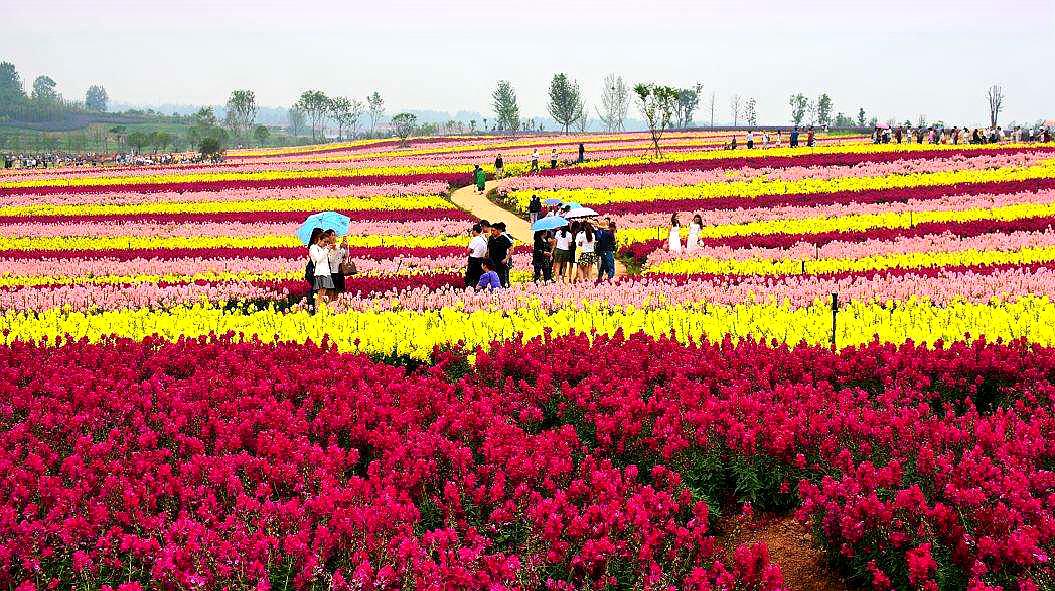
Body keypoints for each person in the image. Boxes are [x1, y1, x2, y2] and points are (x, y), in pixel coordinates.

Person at [308, 227, 335, 308]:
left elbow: (330, 260)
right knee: (320, 294)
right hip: (320, 273)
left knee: (325, 293)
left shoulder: (323, 249)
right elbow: (318, 259)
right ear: (319, 239)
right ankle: (317, 310)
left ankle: (321, 309)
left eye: (327, 242)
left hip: (326, 273)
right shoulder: (313, 248)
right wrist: (326, 250)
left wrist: (332, 250)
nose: (326, 243)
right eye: (325, 241)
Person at [487, 222, 513, 287]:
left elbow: (511, 249)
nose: (492, 232)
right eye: (491, 231)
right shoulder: (491, 238)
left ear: (499, 230)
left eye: (494, 230)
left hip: (500, 262)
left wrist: (506, 259)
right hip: (491, 261)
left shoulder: (504, 239)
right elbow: (488, 248)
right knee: (492, 276)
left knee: (500, 277)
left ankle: (501, 289)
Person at [465, 223, 489, 287]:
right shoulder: (484, 239)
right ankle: (478, 287)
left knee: (470, 275)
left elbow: (468, 251)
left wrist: (472, 251)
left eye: (472, 230)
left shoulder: (475, 239)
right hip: (481, 259)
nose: (472, 232)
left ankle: (469, 287)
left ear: (475, 231)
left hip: (473, 260)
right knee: (478, 275)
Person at [324, 230, 346, 294]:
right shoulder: (326, 248)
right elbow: (330, 260)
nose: (334, 237)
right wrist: (335, 250)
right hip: (331, 272)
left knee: (340, 292)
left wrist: (346, 247)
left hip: (340, 271)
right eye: (332, 235)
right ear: (328, 237)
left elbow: (345, 256)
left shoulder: (338, 245)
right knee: (331, 293)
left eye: (334, 235)